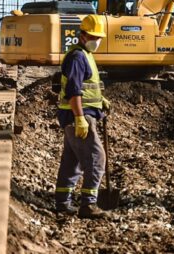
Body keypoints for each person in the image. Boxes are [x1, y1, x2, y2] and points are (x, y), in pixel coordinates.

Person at [54, 14, 111, 218]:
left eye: (99, 37)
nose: (97, 40)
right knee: (97, 158)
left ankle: (62, 201)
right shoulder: (78, 56)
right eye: (94, 36)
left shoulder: (85, 54)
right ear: (83, 35)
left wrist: (100, 100)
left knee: (72, 160)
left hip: (79, 114)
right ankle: (88, 204)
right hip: (79, 116)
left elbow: (86, 87)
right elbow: (74, 90)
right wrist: (80, 118)